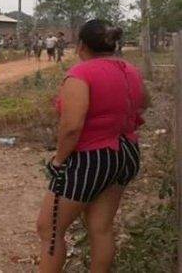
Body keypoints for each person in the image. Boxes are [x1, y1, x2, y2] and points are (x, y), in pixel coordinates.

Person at [36, 20, 147, 273]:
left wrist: (59, 160)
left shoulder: (81, 74)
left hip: (91, 159)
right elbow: (144, 103)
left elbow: (72, 126)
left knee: (49, 228)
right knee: (101, 227)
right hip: (126, 152)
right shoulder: (130, 70)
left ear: (81, 45)